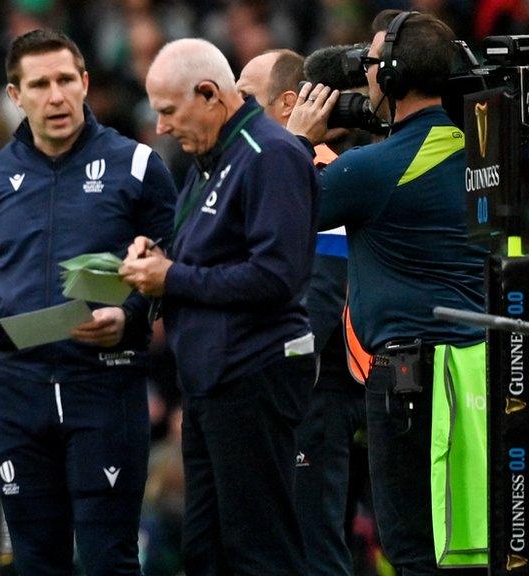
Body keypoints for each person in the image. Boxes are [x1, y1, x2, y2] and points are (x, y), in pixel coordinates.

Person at [0, 28, 176, 576]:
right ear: (15, 95)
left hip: (106, 384)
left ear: (86, 82)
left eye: (67, 80)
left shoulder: (138, 165)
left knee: (108, 560)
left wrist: (130, 315)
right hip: (16, 389)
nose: (57, 96)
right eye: (40, 84)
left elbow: (174, 268)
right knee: (33, 561)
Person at [290, 10, 489, 575]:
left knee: (410, 545)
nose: (366, 75)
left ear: (395, 76)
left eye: (373, 63)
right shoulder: (479, 150)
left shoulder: (372, 168)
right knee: (468, 541)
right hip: (476, 368)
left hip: (409, 378)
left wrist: (296, 142)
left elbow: (281, 207)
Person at [119, 38, 319, 575]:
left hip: (254, 373)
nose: (160, 127)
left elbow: (278, 276)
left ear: (208, 94)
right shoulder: (211, 160)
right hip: (211, 382)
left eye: (167, 110)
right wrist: (159, 260)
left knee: (260, 551)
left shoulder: (270, 154)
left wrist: (173, 276)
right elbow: (206, 258)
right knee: (205, 552)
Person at [238, 48, 366, 576]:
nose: (232, 107)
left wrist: (279, 390)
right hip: (283, 390)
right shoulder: (265, 174)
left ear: (289, 103)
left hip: (308, 396)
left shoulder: (321, 173)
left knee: (314, 545)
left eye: (245, 96)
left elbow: (320, 297)